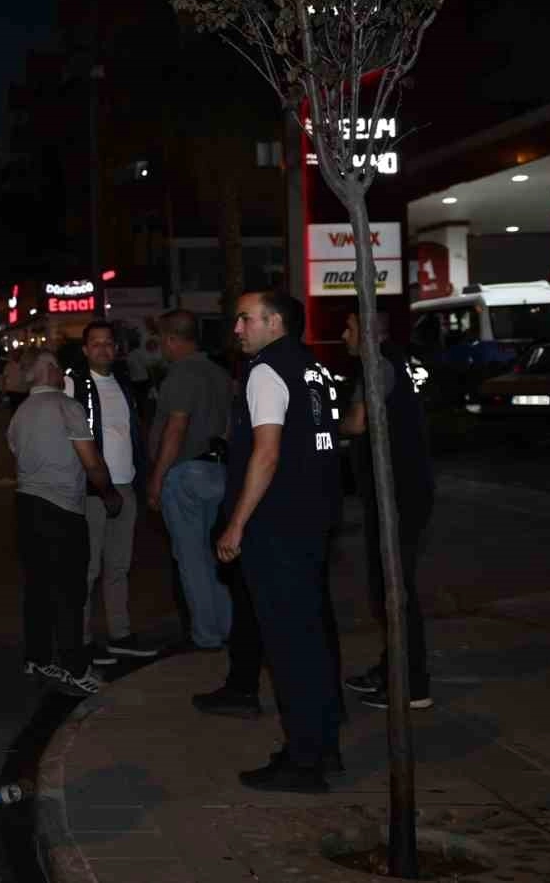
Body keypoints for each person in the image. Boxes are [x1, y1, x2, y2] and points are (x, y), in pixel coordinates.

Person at [213, 291, 343, 793]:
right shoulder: (314, 368)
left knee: (289, 647)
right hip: (311, 522)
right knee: (311, 639)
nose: (237, 329)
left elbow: (265, 454)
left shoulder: (266, 372)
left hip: (278, 529)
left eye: (245, 319)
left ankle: (304, 760)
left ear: (275, 322)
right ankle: (322, 746)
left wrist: (236, 524)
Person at [8, 348, 123, 698]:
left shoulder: (20, 414)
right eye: (59, 369)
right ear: (50, 370)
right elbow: (91, 462)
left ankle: (38, 658)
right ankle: (75, 668)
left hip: (26, 507)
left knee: (37, 587)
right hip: (62, 511)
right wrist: (109, 494)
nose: (63, 376)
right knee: (69, 592)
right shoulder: (66, 407)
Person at [337, 311, 435, 709]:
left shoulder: (377, 364)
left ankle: (412, 685)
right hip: (400, 491)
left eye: (349, 329)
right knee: (390, 587)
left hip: (399, 493)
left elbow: (357, 423)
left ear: (366, 332)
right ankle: (393, 668)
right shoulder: (392, 360)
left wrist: (322, 425)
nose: (343, 336)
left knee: (394, 589)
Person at [144, 309, 235, 652]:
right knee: (215, 555)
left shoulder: (181, 374)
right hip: (218, 470)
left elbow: (176, 429)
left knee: (192, 559)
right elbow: (229, 425)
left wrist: (157, 478)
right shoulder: (219, 373)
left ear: (171, 339)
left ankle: (206, 635)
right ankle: (226, 626)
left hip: (185, 474)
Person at [64, 320, 155, 662]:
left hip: (125, 486)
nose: (102, 349)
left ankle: (120, 634)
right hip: (91, 489)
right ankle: (82, 640)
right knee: (87, 569)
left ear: (116, 349)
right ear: (85, 349)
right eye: (95, 343)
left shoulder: (124, 384)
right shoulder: (73, 384)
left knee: (119, 566)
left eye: (108, 343)